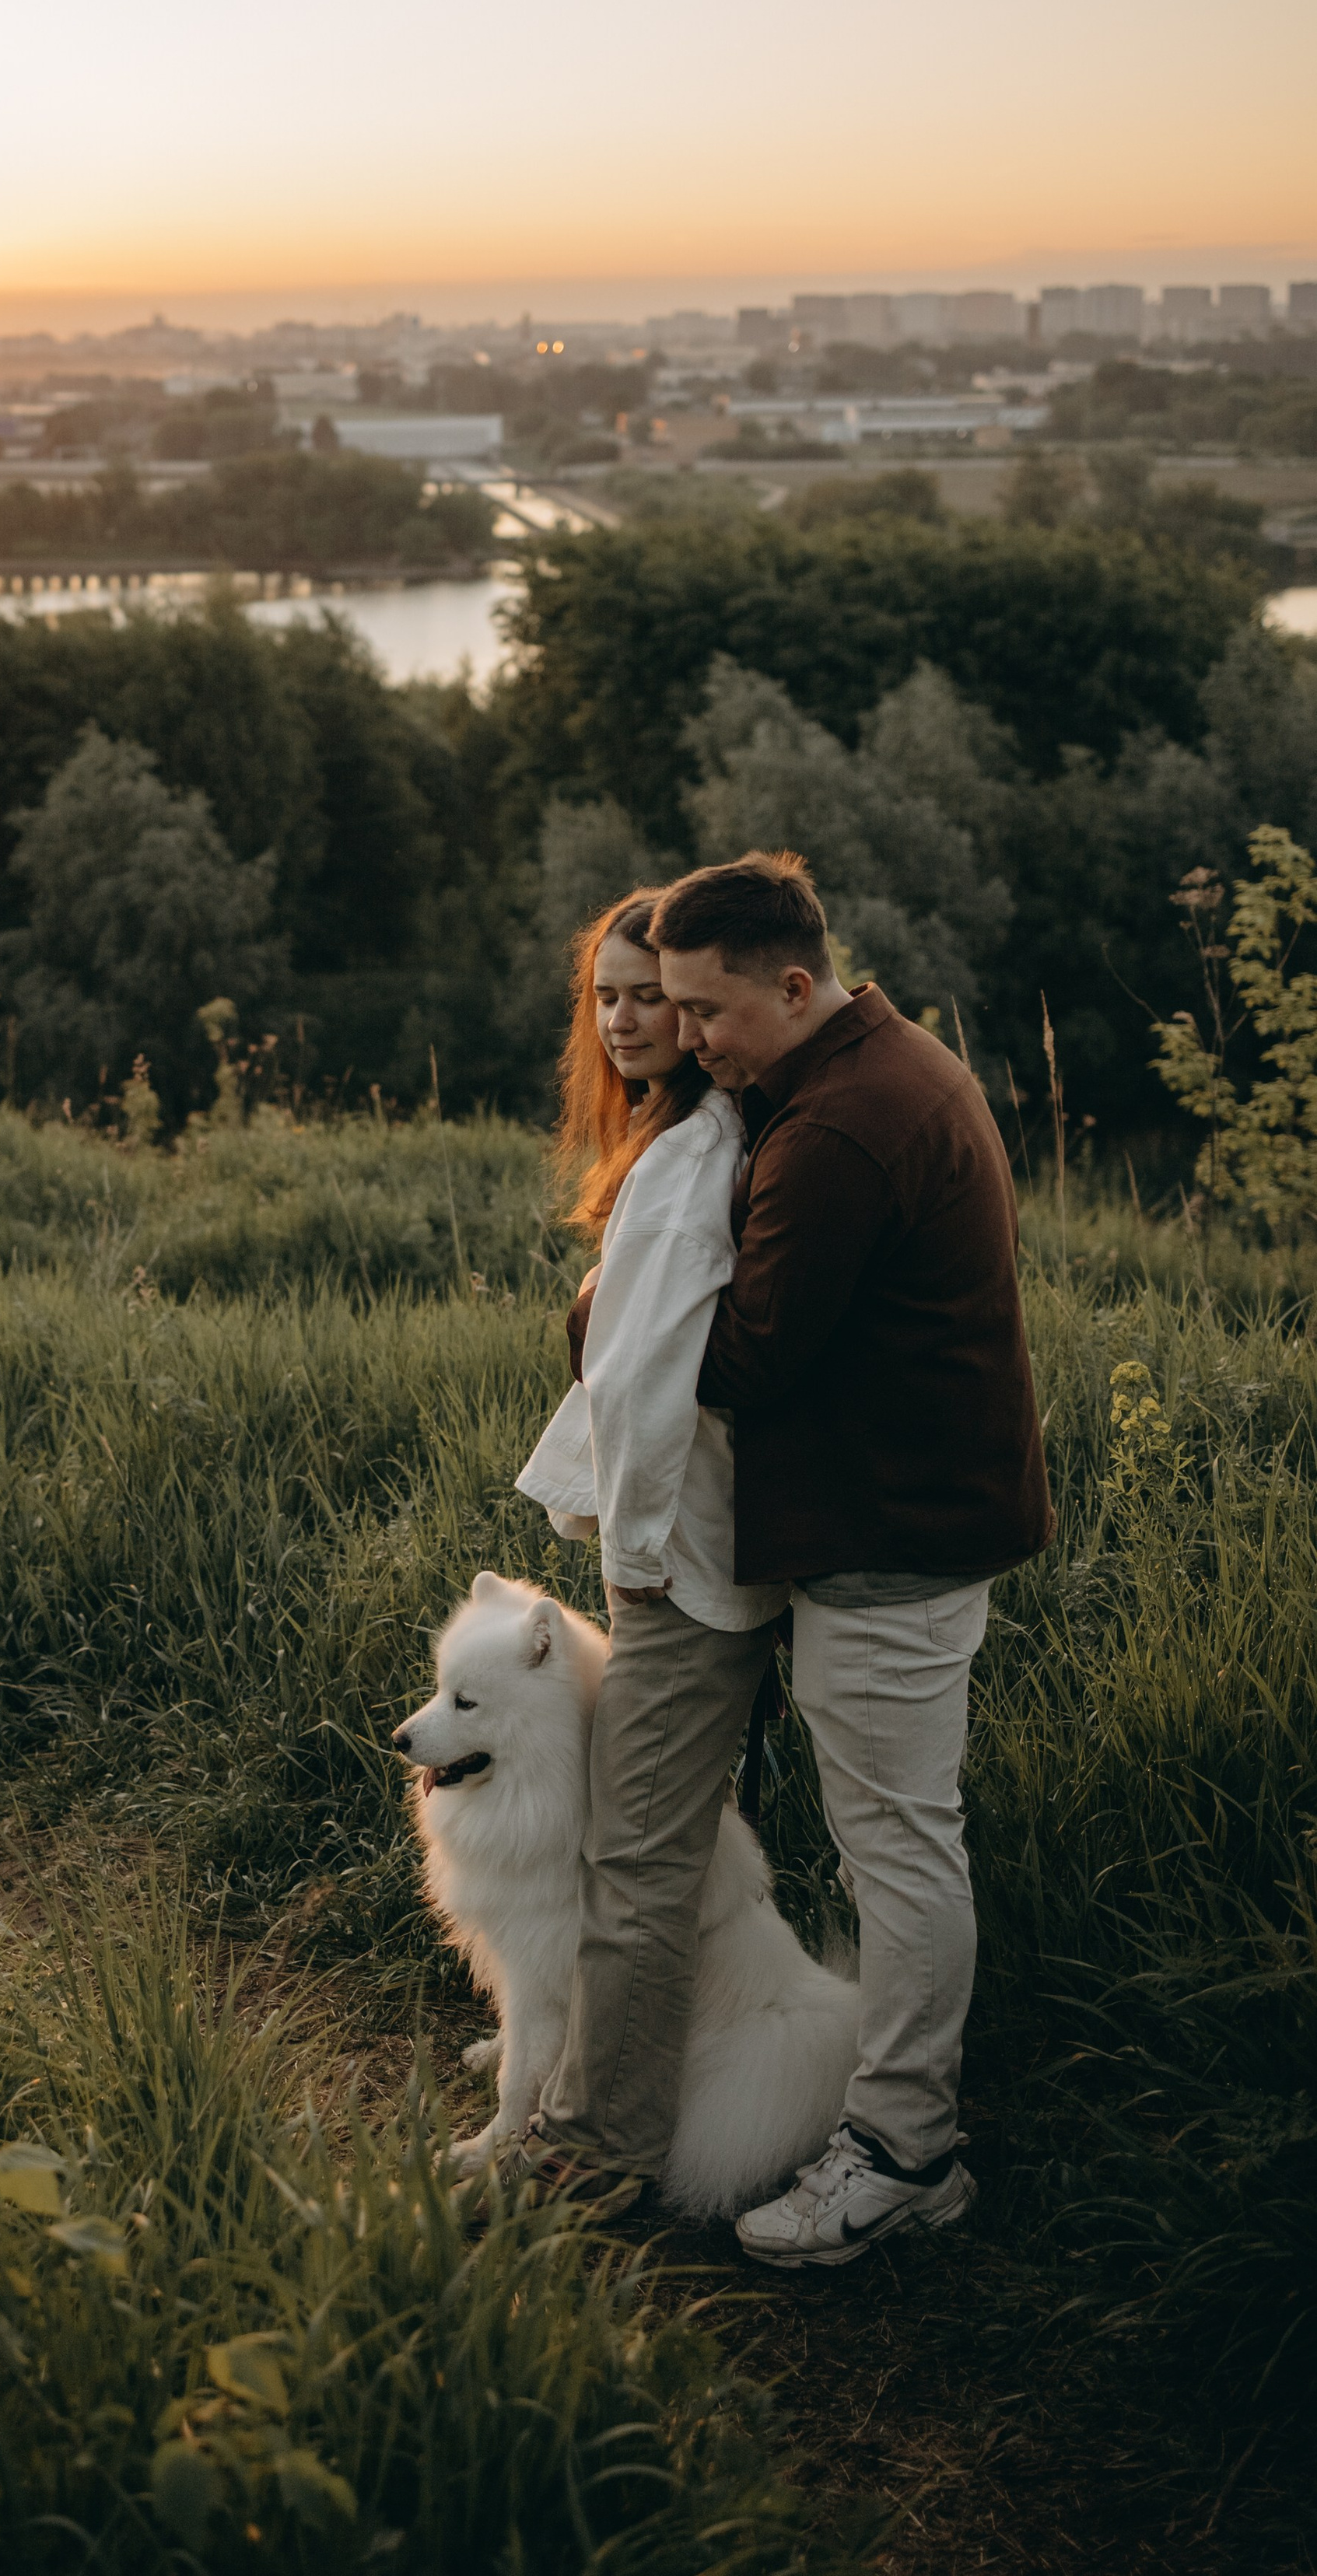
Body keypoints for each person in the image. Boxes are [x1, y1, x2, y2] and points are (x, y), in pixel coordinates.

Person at [653, 850, 1053, 2267]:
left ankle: (903, 2152)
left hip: (894, 1535)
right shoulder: (881, 1064)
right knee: (901, 1835)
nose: (688, 1037)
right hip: (922, 1511)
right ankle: (893, 2124)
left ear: (796, 984)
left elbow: (750, 1356)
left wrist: (606, 1313)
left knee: (898, 1848)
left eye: (707, 1011)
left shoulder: (839, 1132)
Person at [505, 886, 786, 2221]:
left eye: (649, 995)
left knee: (636, 1857)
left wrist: (630, 1561)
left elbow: (647, 1392)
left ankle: (595, 2147)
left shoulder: (691, 1158)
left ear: (696, 1001)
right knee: (647, 1842)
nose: (625, 1020)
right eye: (604, 997)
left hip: (680, 1553)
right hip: (682, 1541)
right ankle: (596, 2079)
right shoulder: (674, 1140)